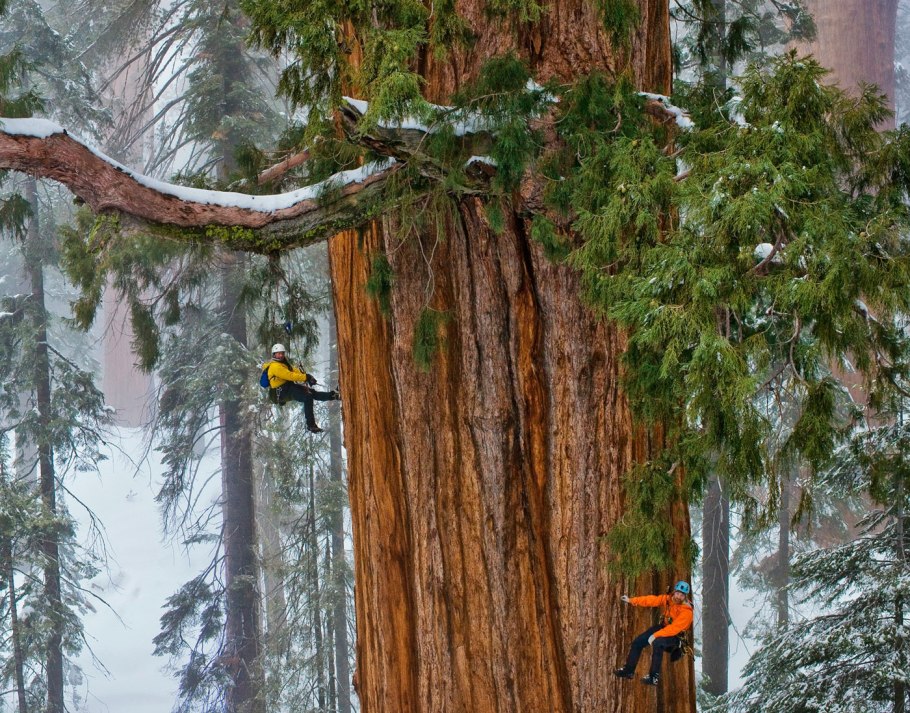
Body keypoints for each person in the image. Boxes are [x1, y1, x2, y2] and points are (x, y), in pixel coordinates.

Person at [613, 580, 693, 686]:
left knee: (658, 643)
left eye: (682, 595)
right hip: (664, 628)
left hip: (676, 636)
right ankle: (628, 670)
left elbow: (674, 628)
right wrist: (632, 600)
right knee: (638, 642)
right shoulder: (668, 599)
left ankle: (653, 677)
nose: (678, 597)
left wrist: (655, 635)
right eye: (678, 593)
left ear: (685, 597)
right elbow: (652, 600)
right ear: (674, 592)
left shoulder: (687, 612)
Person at [263, 343, 340, 433]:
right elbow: (289, 375)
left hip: (287, 387)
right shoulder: (275, 366)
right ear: (274, 354)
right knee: (307, 397)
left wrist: (307, 376)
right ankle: (311, 425)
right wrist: (306, 377)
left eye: (282, 353)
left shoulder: (282, 363)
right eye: (278, 353)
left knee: (311, 392)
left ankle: (333, 395)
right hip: (282, 391)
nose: (281, 355)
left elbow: (293, 370)